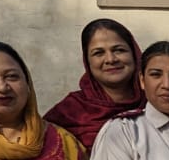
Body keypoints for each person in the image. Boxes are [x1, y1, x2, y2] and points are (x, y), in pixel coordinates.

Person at [45, 18, 146, 151]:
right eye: (98, 53)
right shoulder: (69, 113)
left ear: (134, 54)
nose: (110, 59)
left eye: (119, 50)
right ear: (87, 62)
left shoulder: (155, 104)